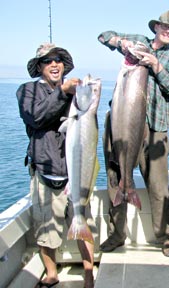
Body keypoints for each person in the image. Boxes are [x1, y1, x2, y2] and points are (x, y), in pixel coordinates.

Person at [97, 10, 169, 257]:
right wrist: (121, 43)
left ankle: (166, 236)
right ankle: (117, 233)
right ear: (156, 27)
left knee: (158, 186)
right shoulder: (138, 42)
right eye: (165, 27)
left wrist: (156, 65)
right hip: (120, 123)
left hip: (155, 129)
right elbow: (104, 36)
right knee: (116, 178)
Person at [16, 43, 96, 288]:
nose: (54, 64)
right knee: (45, 228)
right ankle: (51, 273)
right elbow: (36, 117)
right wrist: (62, 91)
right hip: (45, 172)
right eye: (48, 61)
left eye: (59, 60)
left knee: (84, 222)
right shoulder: (27, 91)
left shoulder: (74, 95)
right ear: (39, 66)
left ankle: (89, 271)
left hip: (77, 172)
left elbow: (89, 127)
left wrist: (81, 94)